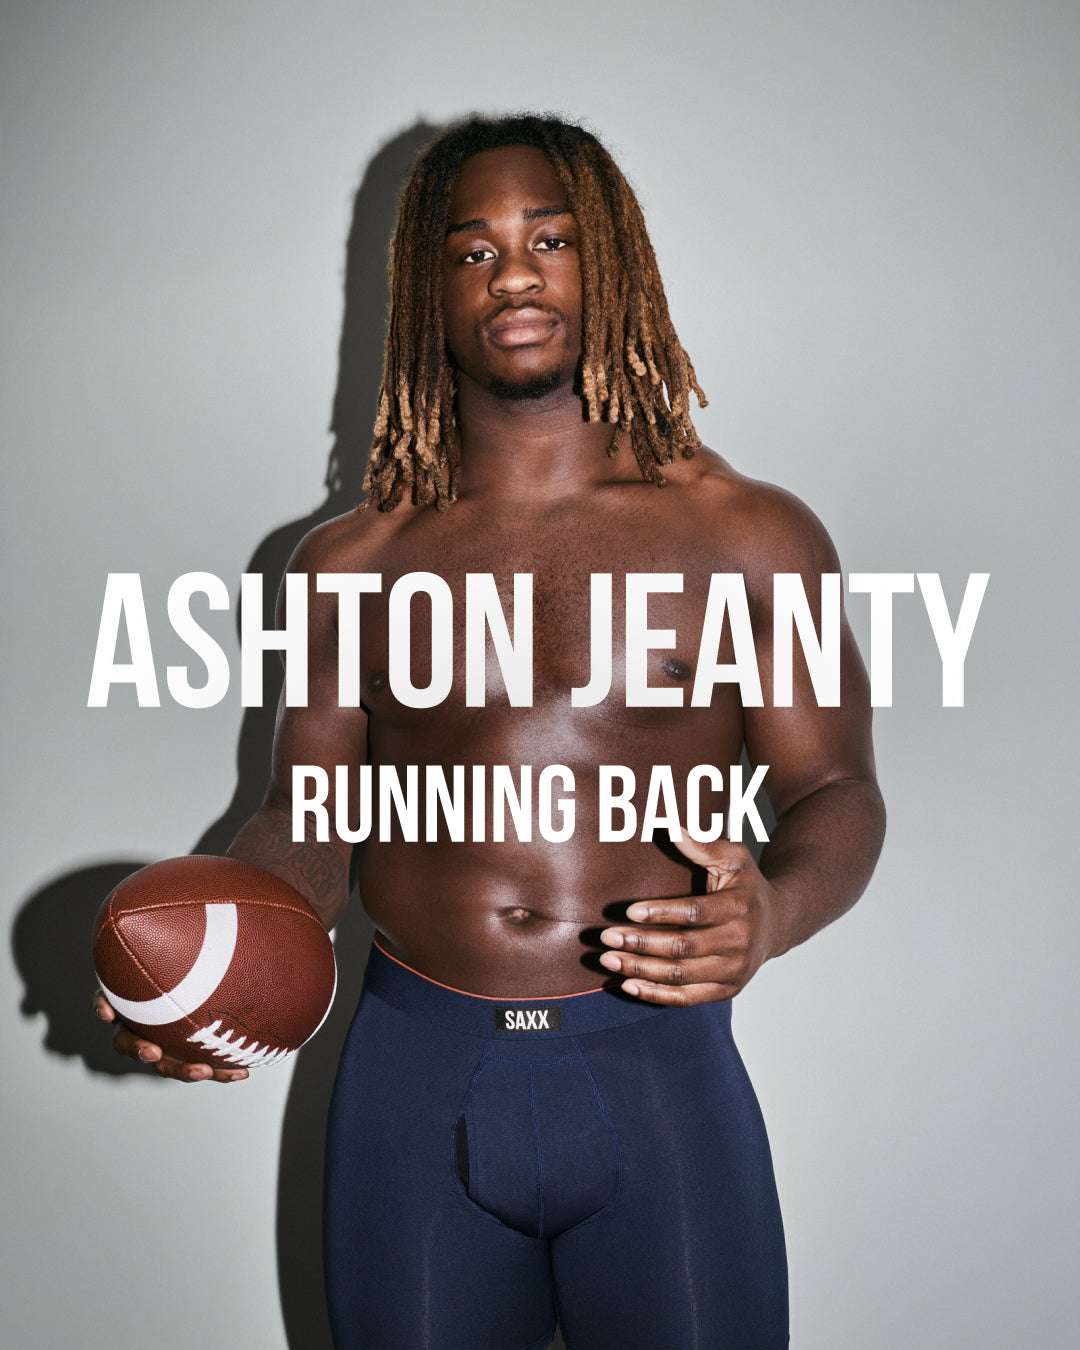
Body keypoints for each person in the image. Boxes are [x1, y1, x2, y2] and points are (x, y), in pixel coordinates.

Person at [96, 114, 885, 1350]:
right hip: (416, 1075)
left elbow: (836, 788)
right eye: (471, 252)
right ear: (429, 291)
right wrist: (218, 952)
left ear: (608, 264)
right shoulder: (349, 560)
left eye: (550, 239)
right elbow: (309, 810)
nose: (512, 273)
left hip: (655, 1070)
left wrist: (772, 911)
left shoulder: (748, 536)